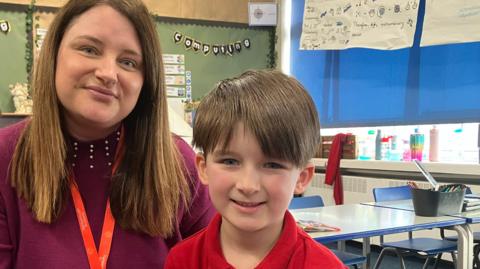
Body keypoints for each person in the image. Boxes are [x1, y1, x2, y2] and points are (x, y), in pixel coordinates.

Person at [0, 0, 215, 268]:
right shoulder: (5, 157)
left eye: (128, 62)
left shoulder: (179, 164)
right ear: (53, 54)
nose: (107, 74)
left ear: (146, 81)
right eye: (89, 49)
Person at [165, 70, 345, 268]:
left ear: (301, 178)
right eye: (230, 161)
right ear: (204, 168)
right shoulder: (181, 260)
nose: (248, 185)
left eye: (272, 165)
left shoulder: (323, 265)